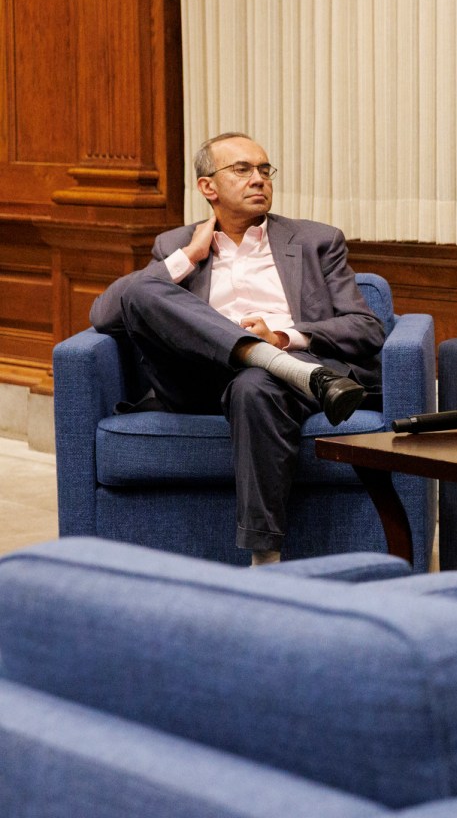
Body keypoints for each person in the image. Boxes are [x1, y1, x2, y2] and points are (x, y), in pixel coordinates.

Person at [89, 132, 382, 566]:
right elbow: (104, 314)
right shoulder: (174, 244)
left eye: (264, 170)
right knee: (141, 289)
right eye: (242, 169)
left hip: (277, 379)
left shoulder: (316, 240)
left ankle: (265, 560)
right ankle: (262, 357)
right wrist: (188, 258)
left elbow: (366, 327)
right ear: (208, 186)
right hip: (197, 381)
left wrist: (281, 337)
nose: (259, 179)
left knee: (255, 385)